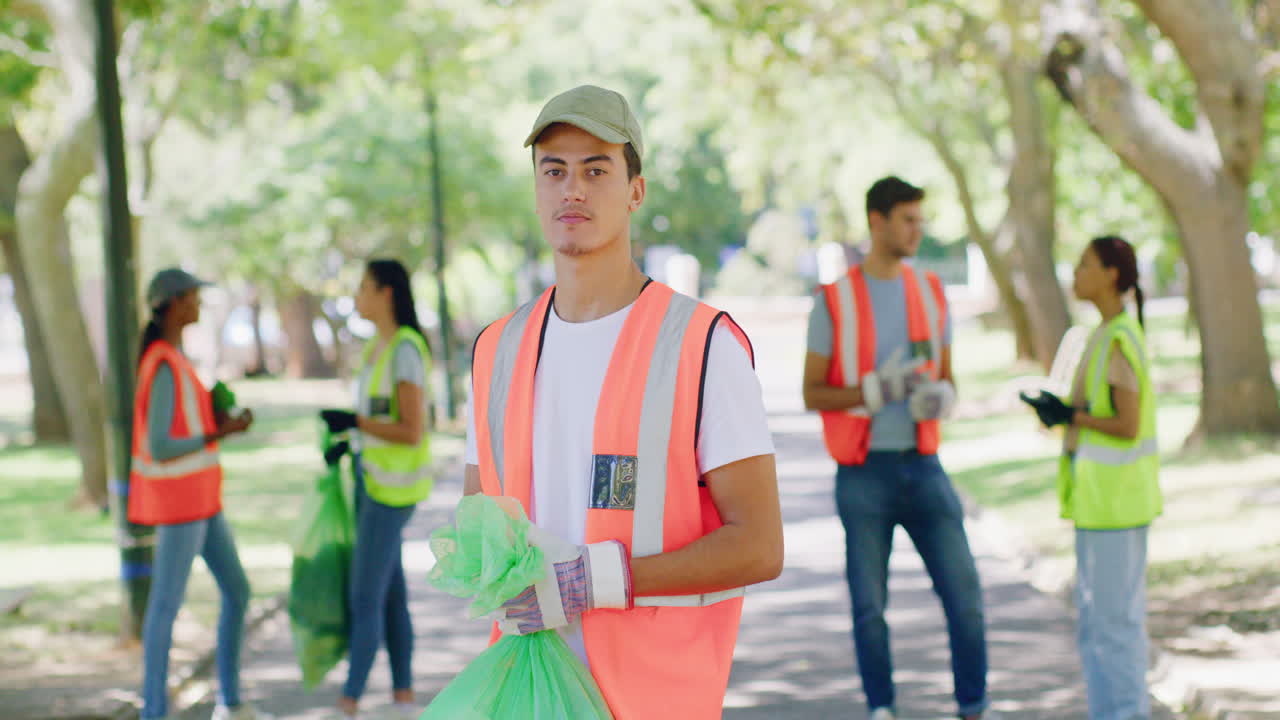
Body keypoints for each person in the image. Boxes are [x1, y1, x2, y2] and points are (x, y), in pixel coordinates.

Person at [462, 85, 783, 719]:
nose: (572, 189)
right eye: (554, 170)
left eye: (596, 169)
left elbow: (760, 546)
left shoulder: (703, 345)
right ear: (536, 189)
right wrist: (479, 568)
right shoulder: (496, 351)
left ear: (636, 190)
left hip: (652, 699)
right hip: (527, 694)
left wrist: (592, 581)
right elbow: (479, 520)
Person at [802, 177, 991, 720]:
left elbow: (949, 377)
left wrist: (943, 397)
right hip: (863, 473)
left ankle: (974, 707)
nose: (917, 230)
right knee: (869, 608)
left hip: (924, 464)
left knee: (966, 600)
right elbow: (811, 391)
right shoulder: (834, 301)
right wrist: (870, 392)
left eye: (920, 220)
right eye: (907, 220)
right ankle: (881, 709)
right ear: (877, 222)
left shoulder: (931, 290)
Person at [1020, 236, 1160, 720]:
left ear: (1112, 276)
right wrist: (1062, 412)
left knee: (1115, 626)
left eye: (1085, 266)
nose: (1075, 273)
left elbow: (1127, 423)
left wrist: (1070, 417)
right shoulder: (1102, 334)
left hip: (1118, 507)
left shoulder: (1119, 337)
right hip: (1099, 506)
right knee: (1097, 628)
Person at [130, 268, 270, 720]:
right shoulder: (164, 362)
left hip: (201, 501)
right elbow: (161, 445)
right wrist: (221, 430)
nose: (197, 304)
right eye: (191, 297)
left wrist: (217, 419)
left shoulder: (173, 357)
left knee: (237, 591)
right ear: (172, 303)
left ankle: (230, 703)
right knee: (165, 607)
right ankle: (154, 711)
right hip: (181, 504)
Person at [319, 259, 433, 720]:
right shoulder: (377, 349)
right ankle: (403, 697)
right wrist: (350, 439)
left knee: (364, 596)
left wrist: (356, 423)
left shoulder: (404, 348)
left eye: (364, 287)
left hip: (392, 493)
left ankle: (348, 701)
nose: (358, 297)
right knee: (389, 594)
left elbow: (410, 430)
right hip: (371, 482)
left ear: (387, 293)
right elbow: (378, 421)